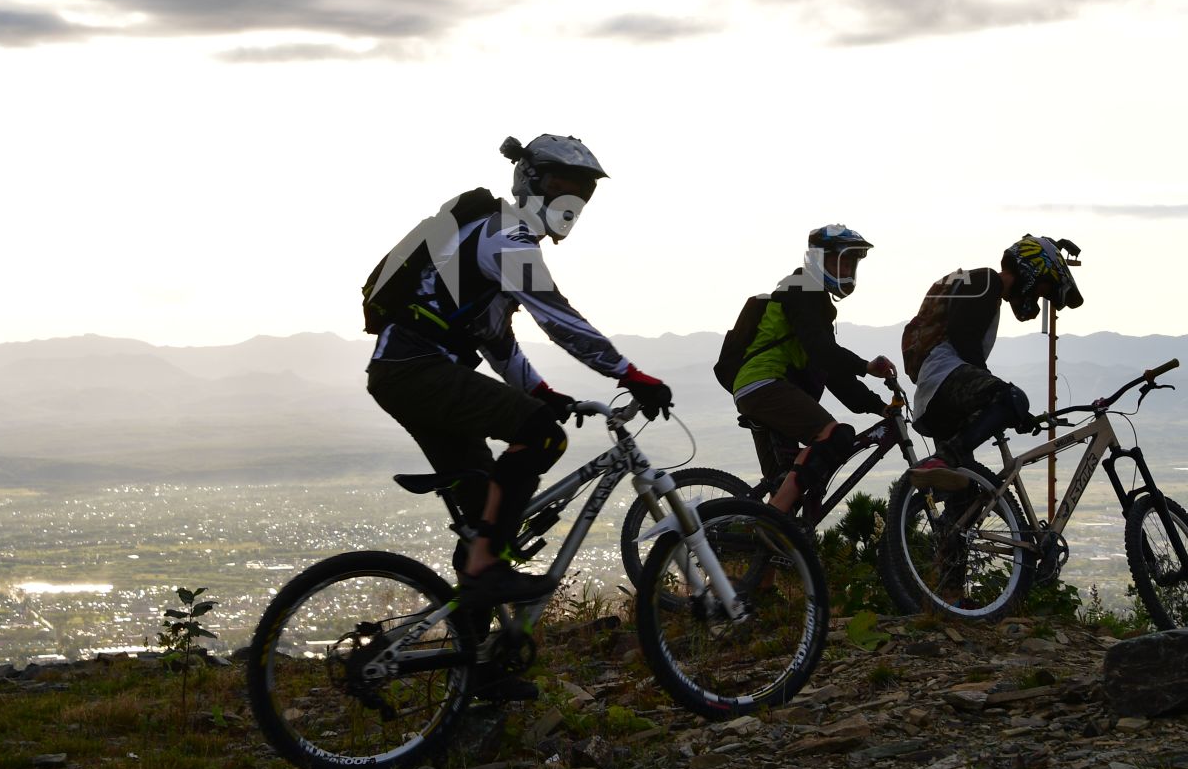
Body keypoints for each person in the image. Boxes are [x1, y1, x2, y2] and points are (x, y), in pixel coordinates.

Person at [366, 134, 674, 615]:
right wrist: (630, 375)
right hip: (416, 368)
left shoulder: (494, 239)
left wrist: (541, 391)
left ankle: (481, 657)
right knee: (541, 436)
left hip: (407, 372)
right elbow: (558, 318)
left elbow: (495, 340)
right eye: (560, 185)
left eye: (581, 193)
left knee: (488, 512)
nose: (569, 200)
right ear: (529, 181)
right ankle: (487, 565)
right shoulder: (505, 236)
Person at [725, 225, 898, 514]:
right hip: (764, 383)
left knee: (791, 493)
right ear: (818, 259)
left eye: (851, 264)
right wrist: (866, 366)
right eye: (839, 261)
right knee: (834, 436)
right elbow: (824, 352)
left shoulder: (812, 298)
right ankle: (772, 520)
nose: (846, 269)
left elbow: (830, 372)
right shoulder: (801, 289)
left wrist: (879, 407)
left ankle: (761, 541)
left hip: (759, 388)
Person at [900, 233, 1083, 481]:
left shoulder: (983, 286)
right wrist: (1008, 401)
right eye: (1042, 289)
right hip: (944, 377)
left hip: (932, 395)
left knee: (965, 492)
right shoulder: (986, 280)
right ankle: (947, 456)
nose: (1038, 299)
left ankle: (948, 496)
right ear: (1031, 271)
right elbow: (963, 338)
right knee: (1012, 397)